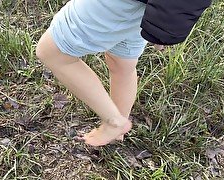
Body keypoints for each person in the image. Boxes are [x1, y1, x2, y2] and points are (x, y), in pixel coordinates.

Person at [35, 0, 211, 146]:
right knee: (121, 62)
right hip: (146, 6)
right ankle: (117, 127)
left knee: (52, 51)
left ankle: (114, 122)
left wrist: (167, 26)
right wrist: (165, 23)